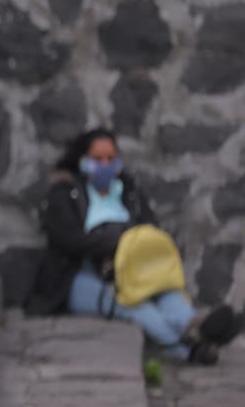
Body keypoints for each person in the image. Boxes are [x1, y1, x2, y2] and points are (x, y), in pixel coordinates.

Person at [24, 128, 241, 364]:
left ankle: (194, 324)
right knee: (132, 305)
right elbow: (71, 240)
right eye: (97, 158)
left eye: (110, 158)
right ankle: (187, 348)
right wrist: (119, 242)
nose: (105, 164)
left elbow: (150, 229)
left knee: (165, 292)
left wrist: (133, 248)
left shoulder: (128, 191)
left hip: (132, 268)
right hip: (80, 275)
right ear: (82, 160)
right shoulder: (64, 194)